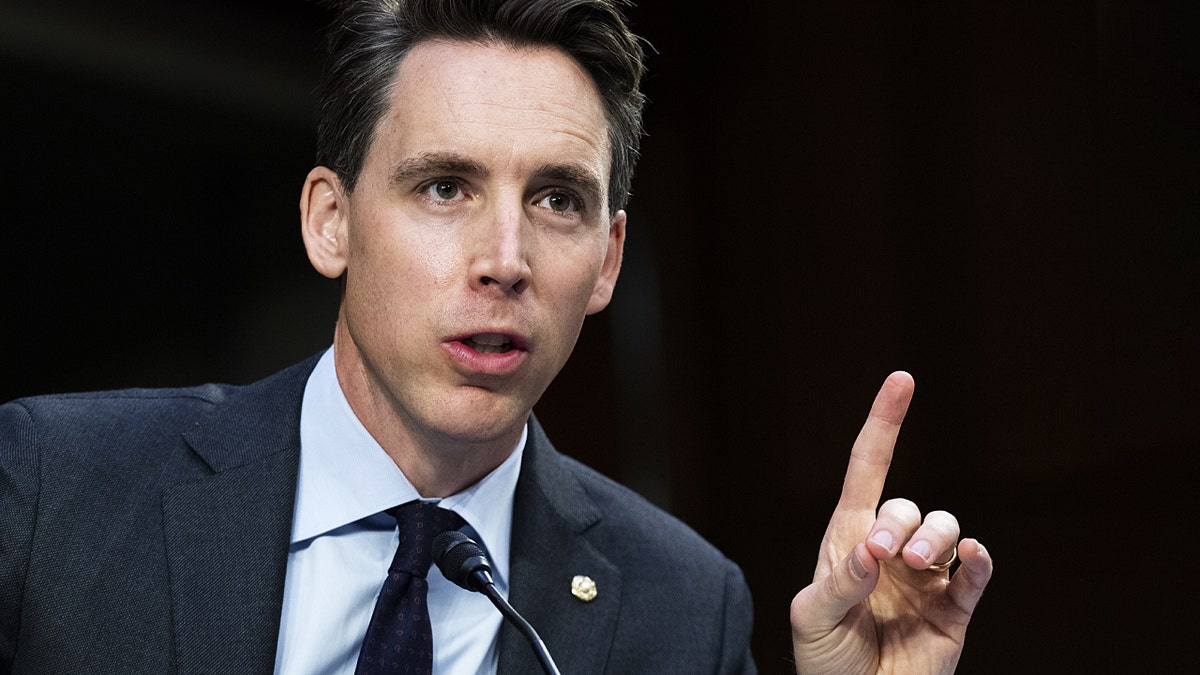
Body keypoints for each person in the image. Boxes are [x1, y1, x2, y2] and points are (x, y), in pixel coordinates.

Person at [0, 0, 992, 673]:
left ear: (606, 262)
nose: (505, 258)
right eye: (445, 187)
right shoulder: (52, 491)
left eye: (558, 200)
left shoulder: (683, 610)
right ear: (329, 221)